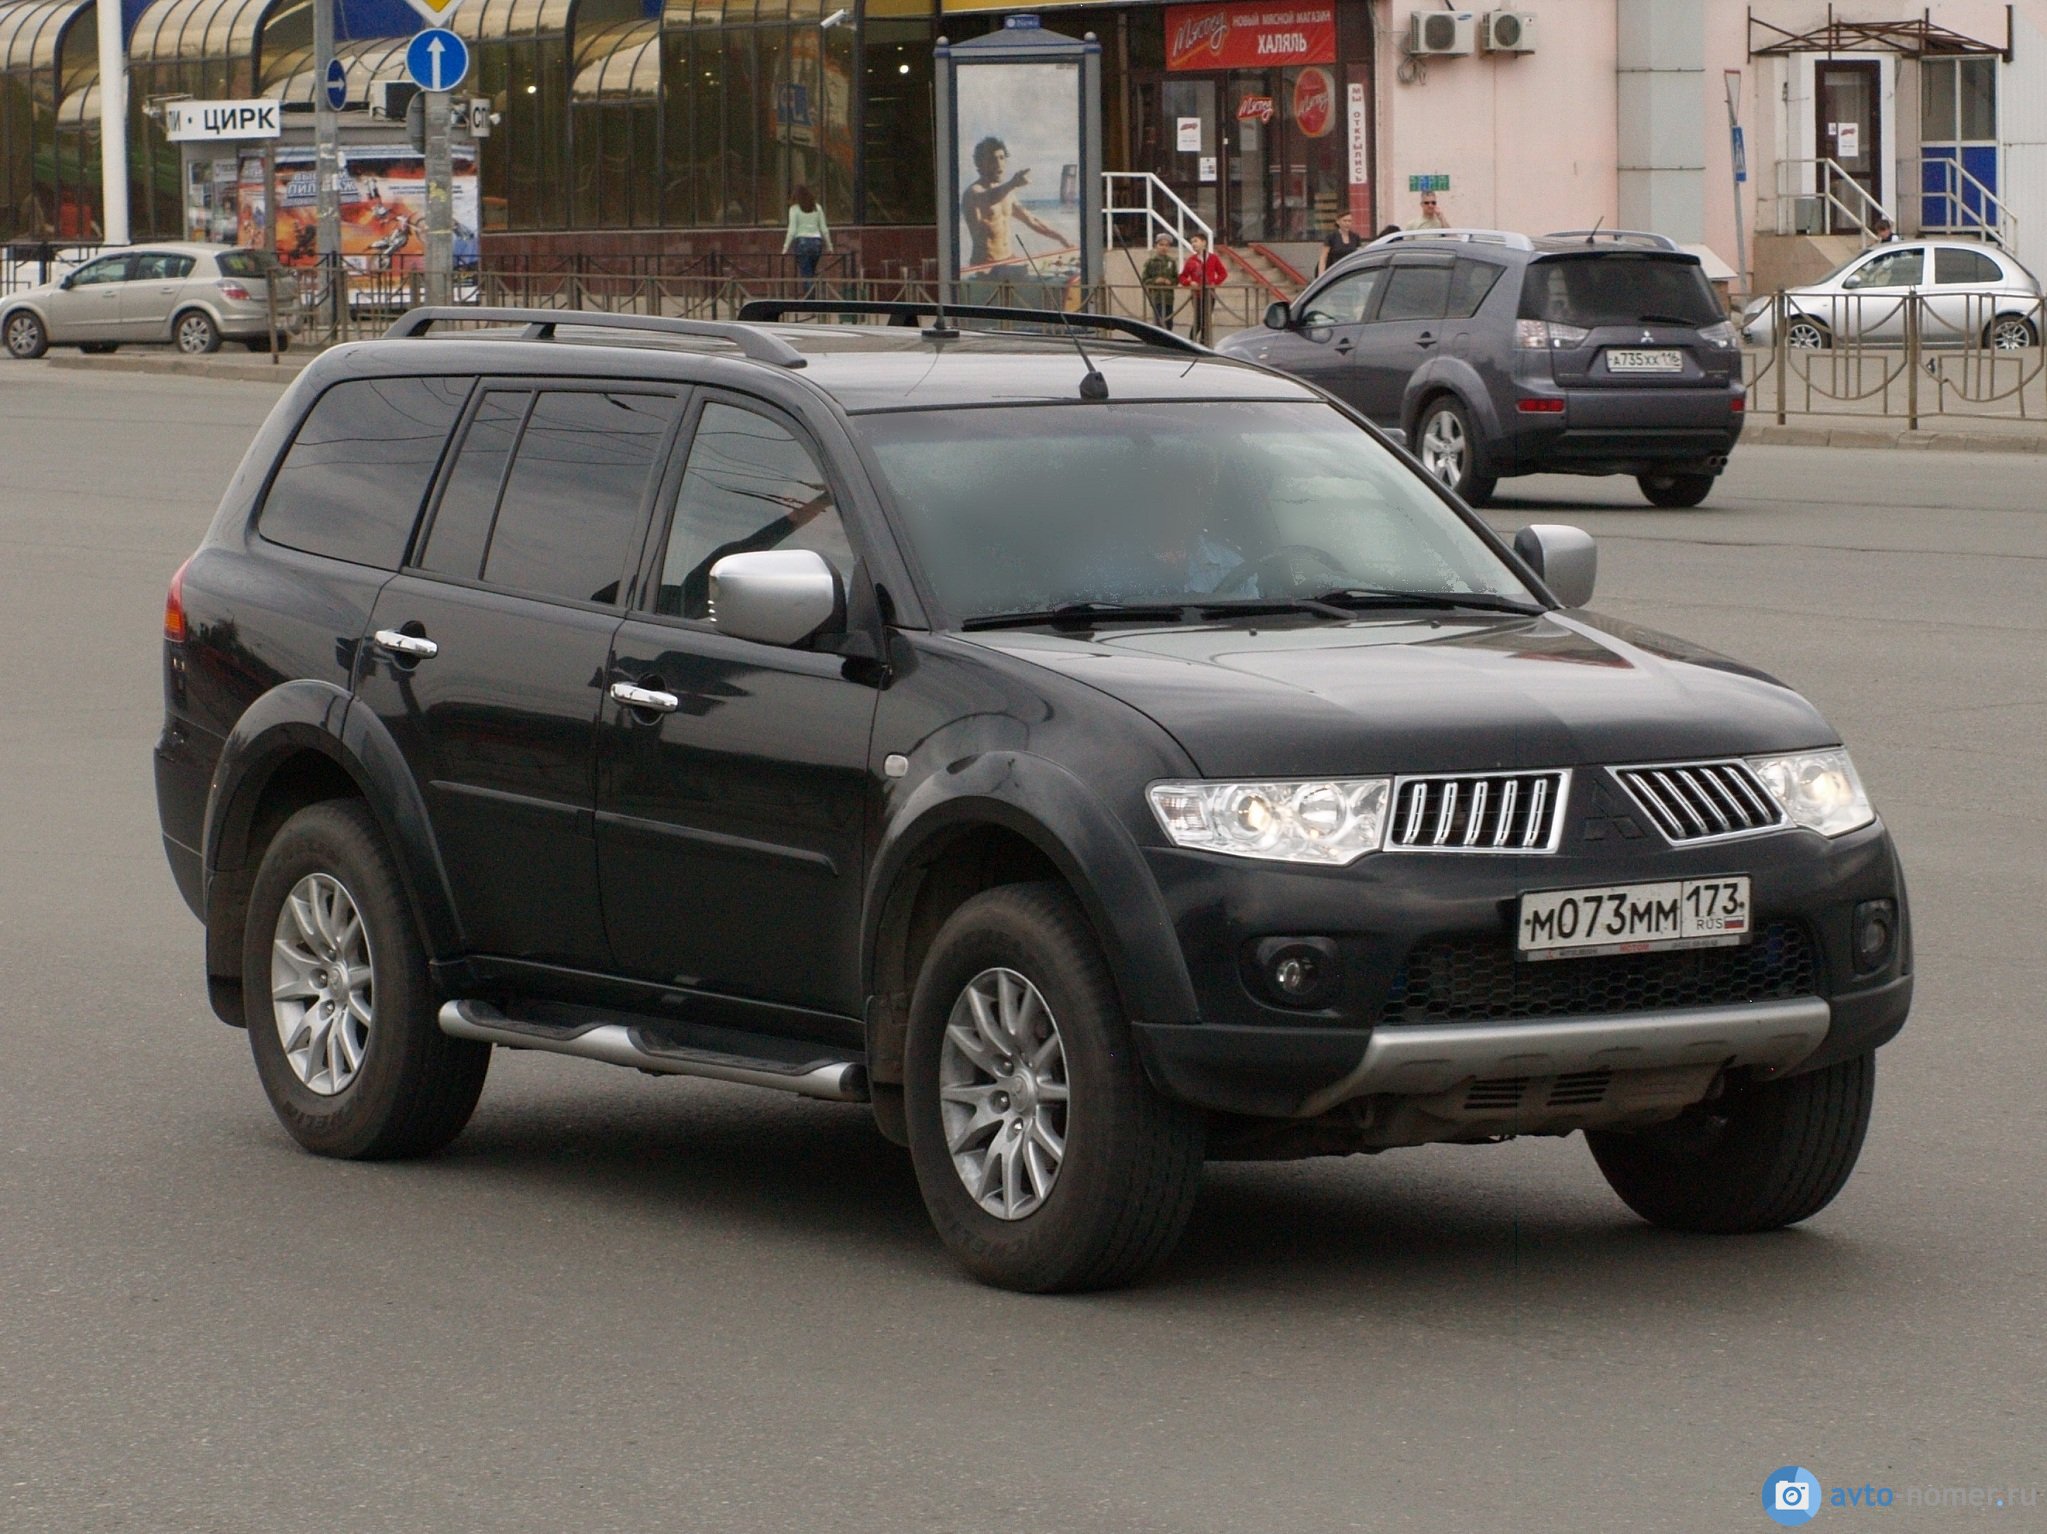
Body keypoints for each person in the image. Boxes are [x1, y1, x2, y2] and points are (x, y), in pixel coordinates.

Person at [960, 136, 1064, 286]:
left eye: (1002, 158)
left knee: (1053, 280)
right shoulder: (973, 192)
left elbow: (1031, 220)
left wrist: (1061, 239)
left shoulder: (1007, 193)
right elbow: (988, 199)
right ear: (980, 163)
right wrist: (1013, 183)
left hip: (1009, 261)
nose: (998, 164)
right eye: (992, 159)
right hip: (986, 267)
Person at [1178, 232, 1228, 344]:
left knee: (1206, 320)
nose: (1193, 244)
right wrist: (1189, 282)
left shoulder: (1213, 258)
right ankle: (1190, 341)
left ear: (1204, 242)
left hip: (1210, 294)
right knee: (1198, 319)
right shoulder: (1191, 260)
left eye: (1196, 241)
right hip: (1197, 295)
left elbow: (1223, 273)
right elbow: (1182, 276)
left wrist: (1214, 283)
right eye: (1192, 242)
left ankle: (1203, 342)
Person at [783, 185, 831, 295]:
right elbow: (824, 228)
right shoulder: (817, 208)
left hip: (802, 242)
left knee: (806, 274)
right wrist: (829, 246)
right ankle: (813, 298)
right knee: (811, 272)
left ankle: (810, 301)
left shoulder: (794, 209)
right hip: (817, 242)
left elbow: (792, 229)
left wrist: (785, 248)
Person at [1140, 232, 1179, 331]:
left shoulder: (1172, 261)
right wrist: (1155, 281)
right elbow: (1144, 280)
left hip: (1168, 297)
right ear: (1156, 246)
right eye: (1161, 245)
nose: (1164, 248)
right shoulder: (1151, 262)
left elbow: (1176, 278)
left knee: (1169, 321)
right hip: (1156, 297)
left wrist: (1170, 281)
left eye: (1166, 245)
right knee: (1159, 321)